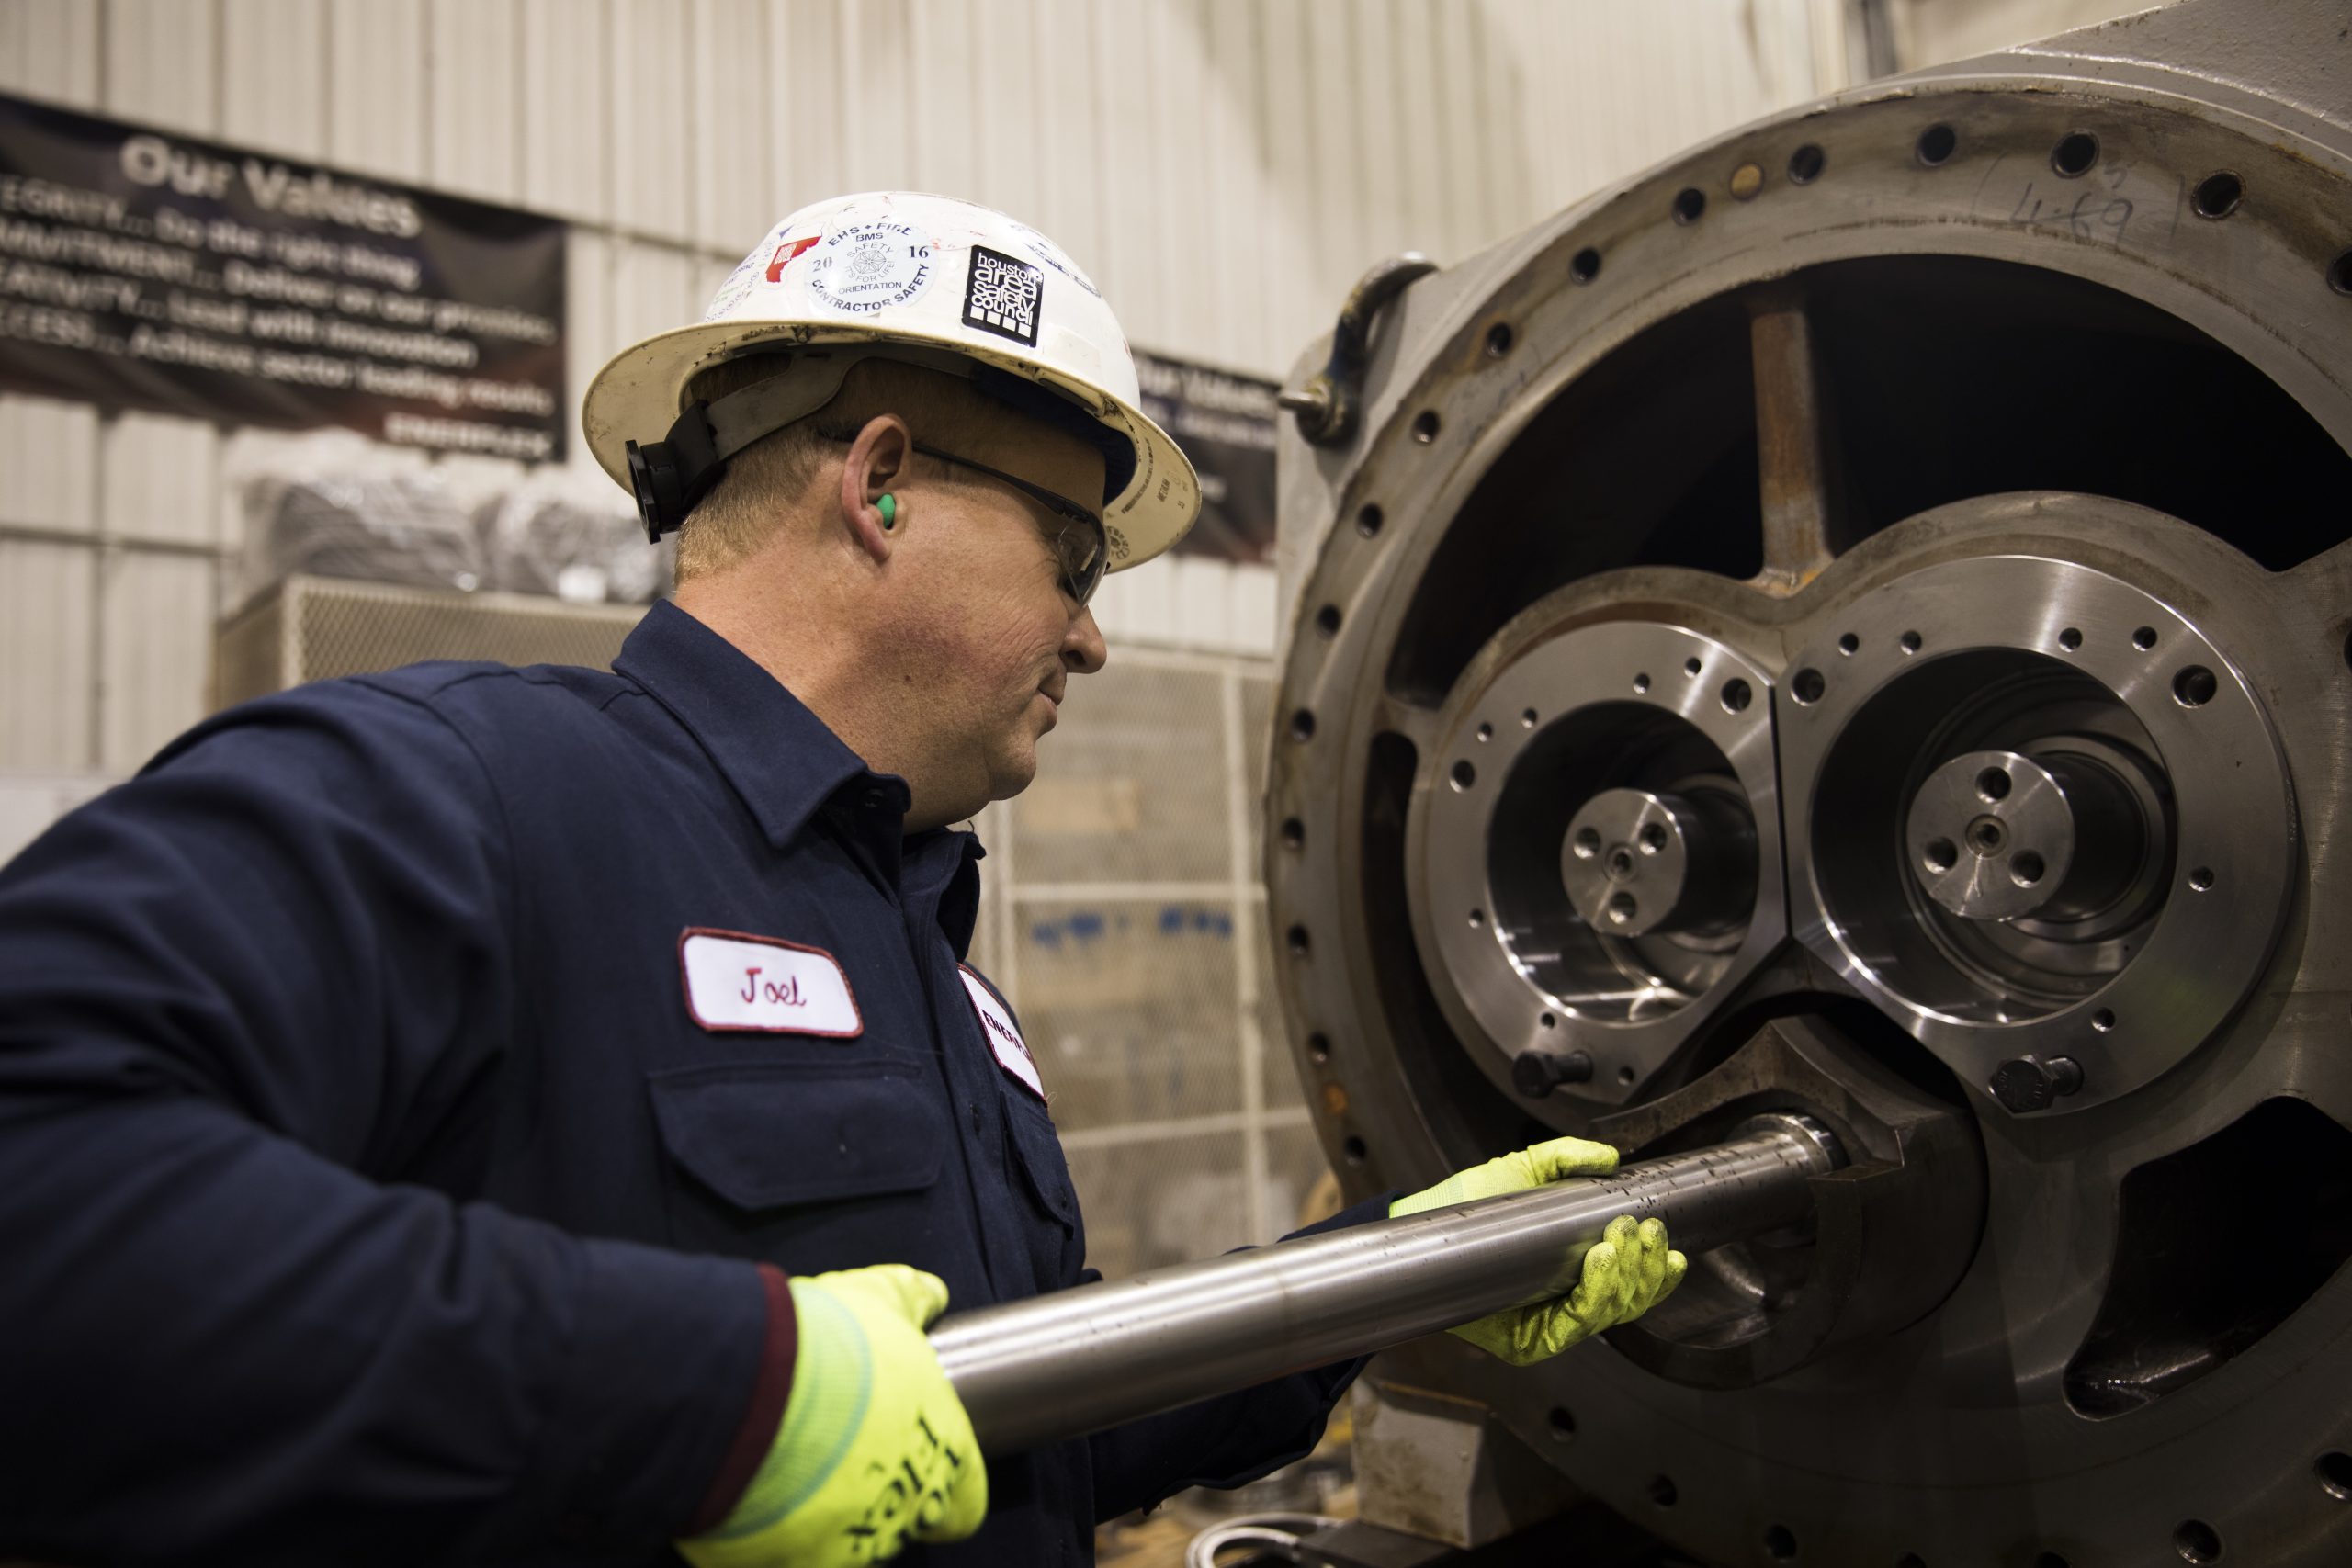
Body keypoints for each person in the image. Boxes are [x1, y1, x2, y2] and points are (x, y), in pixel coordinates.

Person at [0, 193, 1683, 1568]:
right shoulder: (455, 796)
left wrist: (1394, 1273)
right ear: (879, 485)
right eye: (1075, 558)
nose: (1093, 635)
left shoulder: (933, 963)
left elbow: (1015, 1417)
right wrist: (719, 1403)